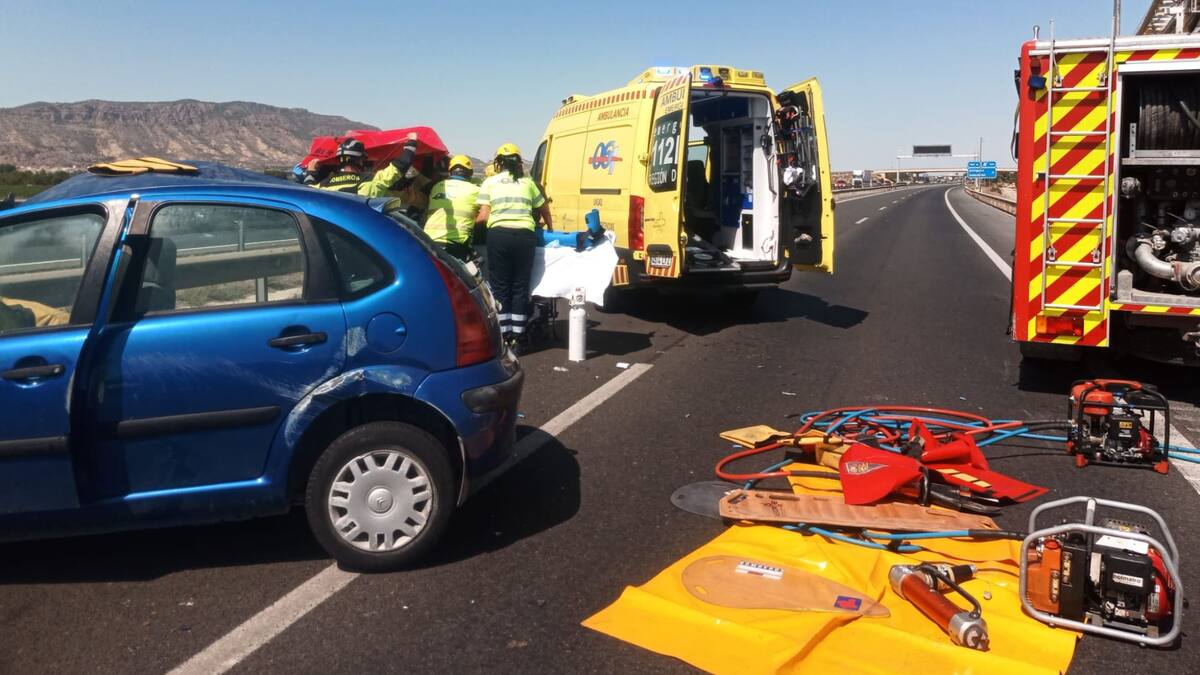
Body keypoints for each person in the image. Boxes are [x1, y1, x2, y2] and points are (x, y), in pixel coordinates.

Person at [476, 143, 552, 352]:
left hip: (499, 236)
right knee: (520, 286)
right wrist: (549, 227)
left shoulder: (490, 182)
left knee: (500, 286)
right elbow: (543, 208)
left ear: (498, 162)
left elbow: (484, 215)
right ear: (519, 162)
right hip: (524, 237)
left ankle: (503, 336)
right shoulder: (528, 183)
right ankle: (518, 338)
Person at [309, 132, 420, 197]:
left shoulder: (323, 185)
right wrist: (412, 142)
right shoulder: (371, 181)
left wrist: (311, 172)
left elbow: (307, 190)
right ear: (359, 160)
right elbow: (402, 164)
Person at [423, 155, 480, 262]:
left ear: (450, 172)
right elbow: (483, 216)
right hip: (456, 242)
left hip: (429, 240)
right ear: (470, 173)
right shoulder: (475, 190)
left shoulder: (437, 187)